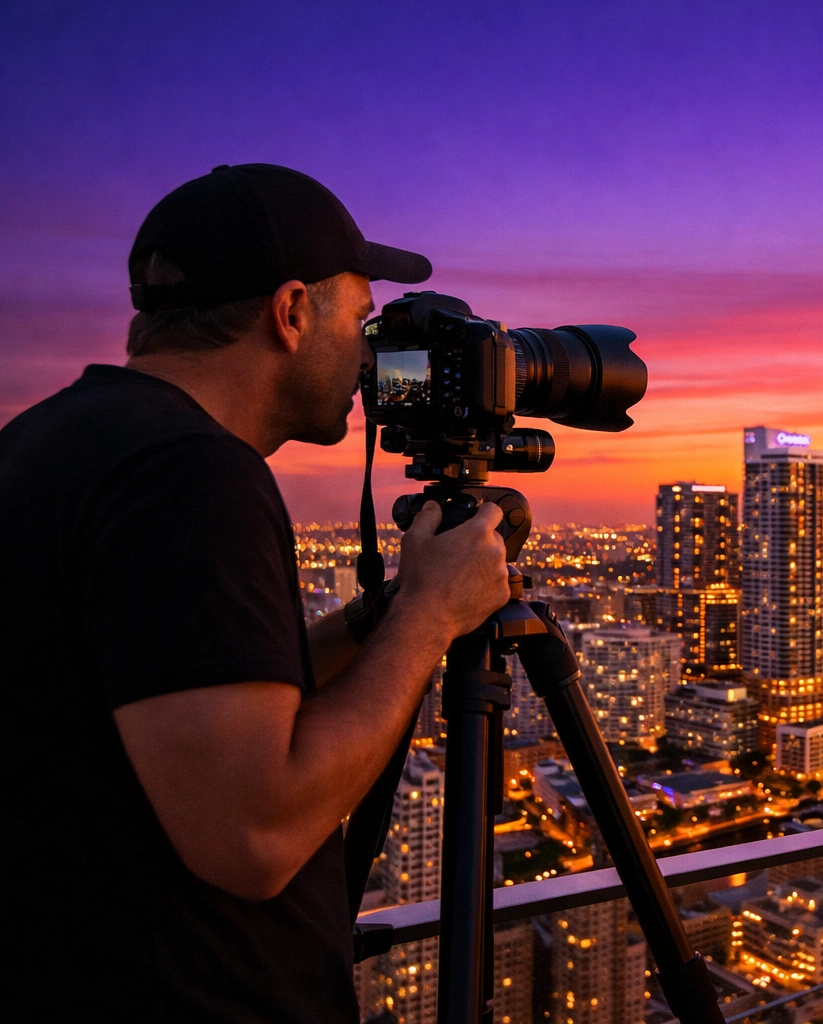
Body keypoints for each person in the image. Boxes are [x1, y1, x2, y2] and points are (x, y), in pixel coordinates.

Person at [0, 164, 514, 1021]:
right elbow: (255, 834)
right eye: (358, 319)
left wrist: (374, 621)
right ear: (291, 313)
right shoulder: (190, 476)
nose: (368, 359)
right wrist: (429, 619)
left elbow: (185, 686)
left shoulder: (51, 440)